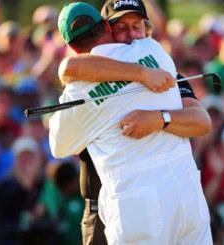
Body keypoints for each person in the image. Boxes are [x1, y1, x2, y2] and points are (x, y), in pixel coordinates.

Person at [49, 2, 213, 244]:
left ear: (71, 46)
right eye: (122, 26)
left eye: (136, 26)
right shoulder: (155, 52)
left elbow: (58, 146)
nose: (131, 35)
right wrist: (141, 74)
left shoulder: (77, 91)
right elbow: (70, 67)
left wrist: (159, 119)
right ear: (107, 26)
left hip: (135, 206)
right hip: (182, 199)